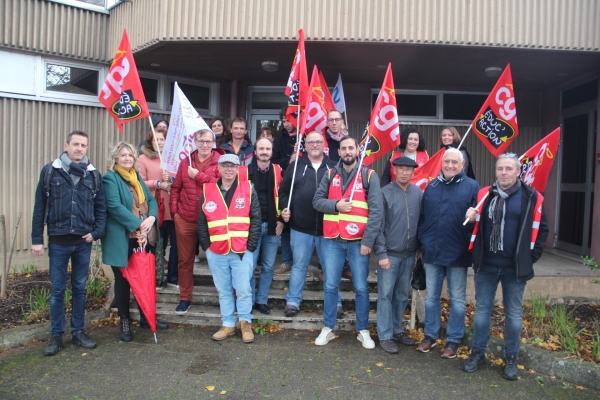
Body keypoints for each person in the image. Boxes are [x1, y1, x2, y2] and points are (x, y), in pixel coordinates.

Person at [462, 153, 549, 380]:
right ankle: (478, 353)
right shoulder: (484, 195)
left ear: (518, 172)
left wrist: (530, 258)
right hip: (487, 265)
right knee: (482, 313)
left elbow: (542, 231)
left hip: (514, 268)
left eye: (509, 169)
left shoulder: (531, 197)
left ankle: (511, 358)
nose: (504, 173)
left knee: (513, 315)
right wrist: (470, 218)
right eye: (500, 169)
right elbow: (471, 229)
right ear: (496, 171)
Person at [31, 130, 106, 356]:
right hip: (59, 241)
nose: (79, 149)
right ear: (67, 145)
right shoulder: (50, 172)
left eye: (83, 145)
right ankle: (56, 336)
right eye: (75, 144)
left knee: (80, 288)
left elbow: (101, 208)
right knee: (57, 290)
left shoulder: (93, 175)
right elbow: (39, 208)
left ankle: (78, 332)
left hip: (83, 242)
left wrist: (96, 233)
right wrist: (37, 239)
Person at [312, 136, 383, 349]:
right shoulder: (329, 173)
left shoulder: (369, 175)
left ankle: (363, 330)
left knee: (361, 287)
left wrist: (368, 241)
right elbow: (317, 201)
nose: (347, 151)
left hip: (358, 242)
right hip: (333, 240)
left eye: (351, 147)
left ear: (357, 150)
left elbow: (376, 212)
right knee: (331, 286)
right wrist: (336, 205)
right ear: (339, 152)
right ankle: (328, 328)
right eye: (343, 148)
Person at [102, 142, 168, 343]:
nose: (127, 158)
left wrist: (152, 218)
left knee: (143, 278)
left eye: (130, 155)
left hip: (143, 236)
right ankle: (124, 322)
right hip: (123, 239)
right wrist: (139, 225)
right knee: (123, 282)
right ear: (115, 158)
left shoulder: (137, 178)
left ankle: (145, 318)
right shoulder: (110, 178)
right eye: (123, 155)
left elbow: (152, 201)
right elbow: (114, 206)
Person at [416, 148, 480, 358]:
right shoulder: (432, 186)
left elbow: (478, 224)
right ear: (442, 163)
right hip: (433, 252)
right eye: (447, 161)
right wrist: (422, 242)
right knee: (431, 298)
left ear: (462, 165)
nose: (450, 165)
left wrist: (473, 221)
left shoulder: (472, 187)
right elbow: (423, 218)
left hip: (458, 253)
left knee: (458, 300)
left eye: (455, 162)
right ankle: (431, 335)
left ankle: (453, 340)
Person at [198, 154, 262, 343]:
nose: (228, 169)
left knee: (243, 289)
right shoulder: (208, 189)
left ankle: (245, 323)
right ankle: (227, 324)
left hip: (242, 251)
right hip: (216, 251)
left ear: (238, 168)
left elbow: (256, 219)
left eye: (232, 166)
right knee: (223, 290)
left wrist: (251, 246)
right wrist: (206, 247)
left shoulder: (247, 188)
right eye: (225, 166)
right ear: (218, 167)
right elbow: (201, 222)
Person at [279, 132, 337, 317]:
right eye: (310, 142)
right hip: (300, 227)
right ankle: (293, 301)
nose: (314, 145)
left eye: (318, 142)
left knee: (330, 267)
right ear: (305, 145)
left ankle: (335, 302)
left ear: (323, 144)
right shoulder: (296, 166)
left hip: (327, 228)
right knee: (299, 266)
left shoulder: (334, 166)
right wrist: (284, 208)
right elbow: (283, 192)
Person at [170, 129, 223, 314]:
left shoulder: (220, 162)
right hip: (186, 218)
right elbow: (176, 187)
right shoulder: (186, 162)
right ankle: (185, 298)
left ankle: (226, 298)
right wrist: (175, 212)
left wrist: (198, 176)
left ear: (213, 142)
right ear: (195, 141)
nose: (205, 145)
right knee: (185, 261)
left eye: (208, 141)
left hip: (213, 220)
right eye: (201, 141)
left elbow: (221, 185)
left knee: (220, 261)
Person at [373, 156, 422, 354]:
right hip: (389, 255)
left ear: (413, 173)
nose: (404, 172)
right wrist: (382, 254)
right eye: (400, 169)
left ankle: (397, 329)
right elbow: (377, 226)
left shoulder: (418, 194)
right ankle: (384, 335)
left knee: (401, 295)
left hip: (410, 254)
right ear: (394, 170)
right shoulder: (384, 193)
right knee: (385, 295)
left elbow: (422, 223)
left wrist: (419, 250)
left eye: (408, 170)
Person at [239, 138, 284, 314]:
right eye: (261, 148)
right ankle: (248, 301)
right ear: (255, 151)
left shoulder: (278, 171)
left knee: (268, 267)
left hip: (273, 226)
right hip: (251, 227)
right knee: (248, 266)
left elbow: (285, 196)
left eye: (268, 148)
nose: (264, 151)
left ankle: (262, 300)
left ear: (271, 151)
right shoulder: (242, 172)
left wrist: (282, 220)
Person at [138, 127, 178, 289]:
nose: (159, 143)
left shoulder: (173, 159)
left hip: (173, 208)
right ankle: (157, 278)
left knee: (176, 244)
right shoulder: (143, 159)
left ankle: (173, 277)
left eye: (162, 139)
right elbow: (140, 183)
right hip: (156, 208)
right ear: (151, 142)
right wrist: (159, 183)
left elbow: (181, 179)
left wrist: (173, 180)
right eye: (156, 140)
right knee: (157, 244)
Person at [272, 109, 298, 275]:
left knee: (301, 226)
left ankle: (300, 262)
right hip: (285, 184)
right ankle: (288, 261)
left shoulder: (305, 138)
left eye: (289, 120)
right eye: (284, 120)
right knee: (286, 223)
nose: (286, 123)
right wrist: (288, 161)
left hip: (303, 185)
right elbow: (274, 160)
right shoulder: (279, 141)